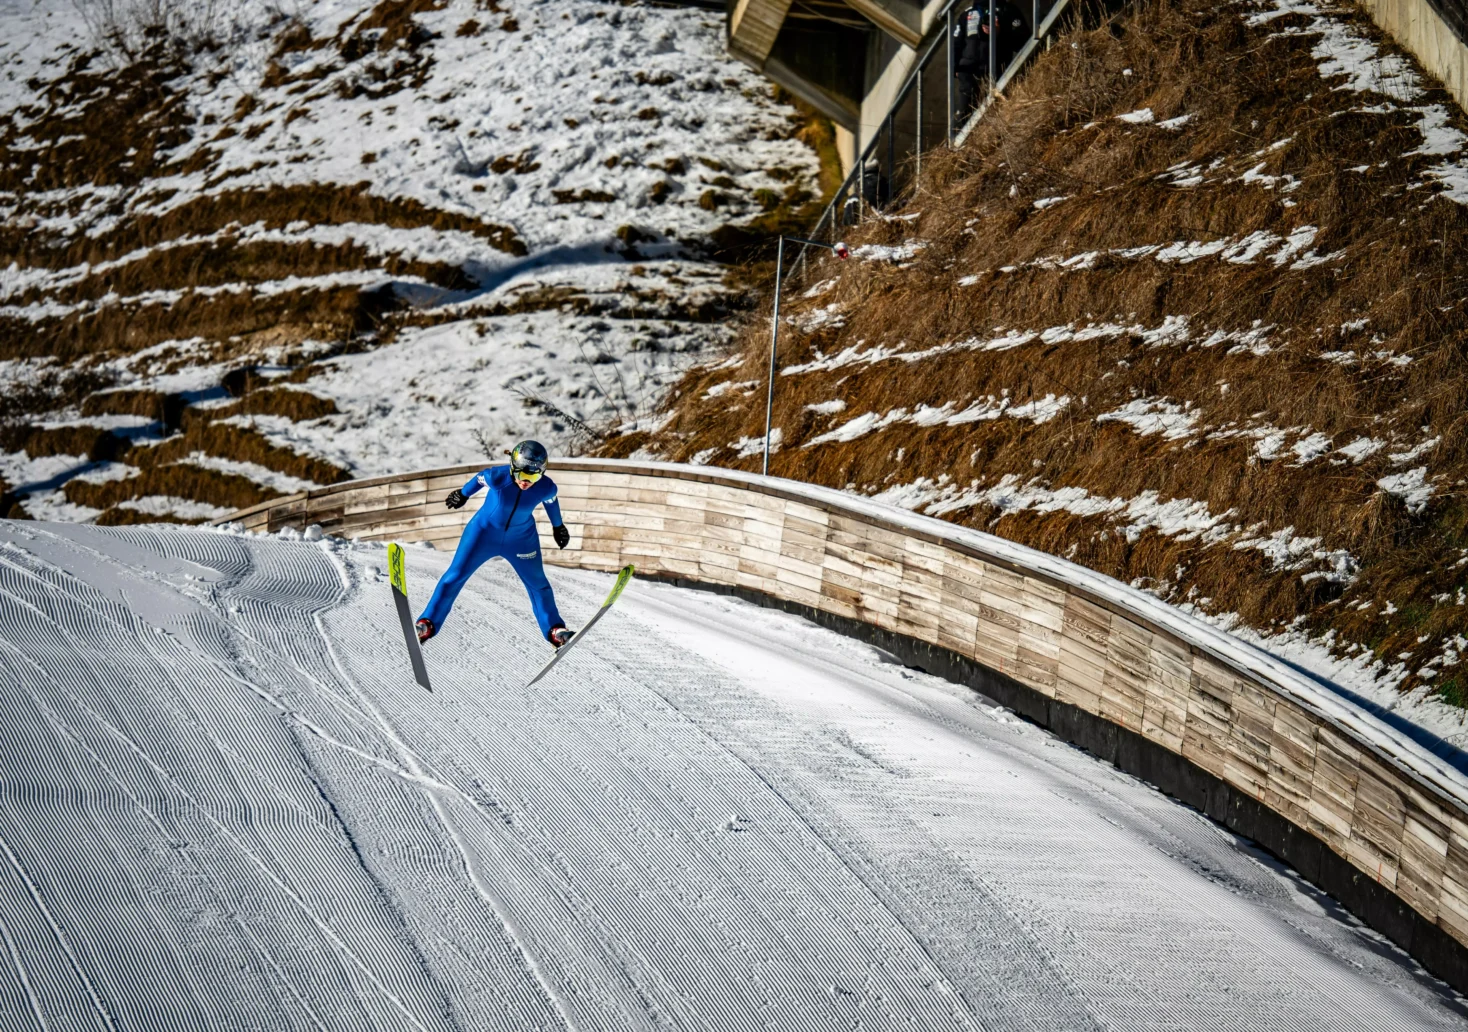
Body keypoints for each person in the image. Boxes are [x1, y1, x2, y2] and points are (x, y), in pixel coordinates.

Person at [415, 440, 575, 649]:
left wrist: (558, 526)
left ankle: (555, 630)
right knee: (454, 576)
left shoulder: (546, 487)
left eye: (533, 476)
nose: (526, 481)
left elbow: (551, 502)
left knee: (539, 584)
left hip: (521, 539)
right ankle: (427, 624)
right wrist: (463, 494)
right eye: (521, 474)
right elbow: (479, 479)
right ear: (512, 467)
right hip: (483, 533)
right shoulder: (497, 477)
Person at [952, 0, 1028, 123]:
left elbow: (1023, 43)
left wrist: (999, 32)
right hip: (968, 72)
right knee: (964, 114)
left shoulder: (1008, 10)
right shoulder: (967, 14)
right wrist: (955, 67)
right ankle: (959, 132)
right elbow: (956, 44)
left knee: (996, 113)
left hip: (998, 70)